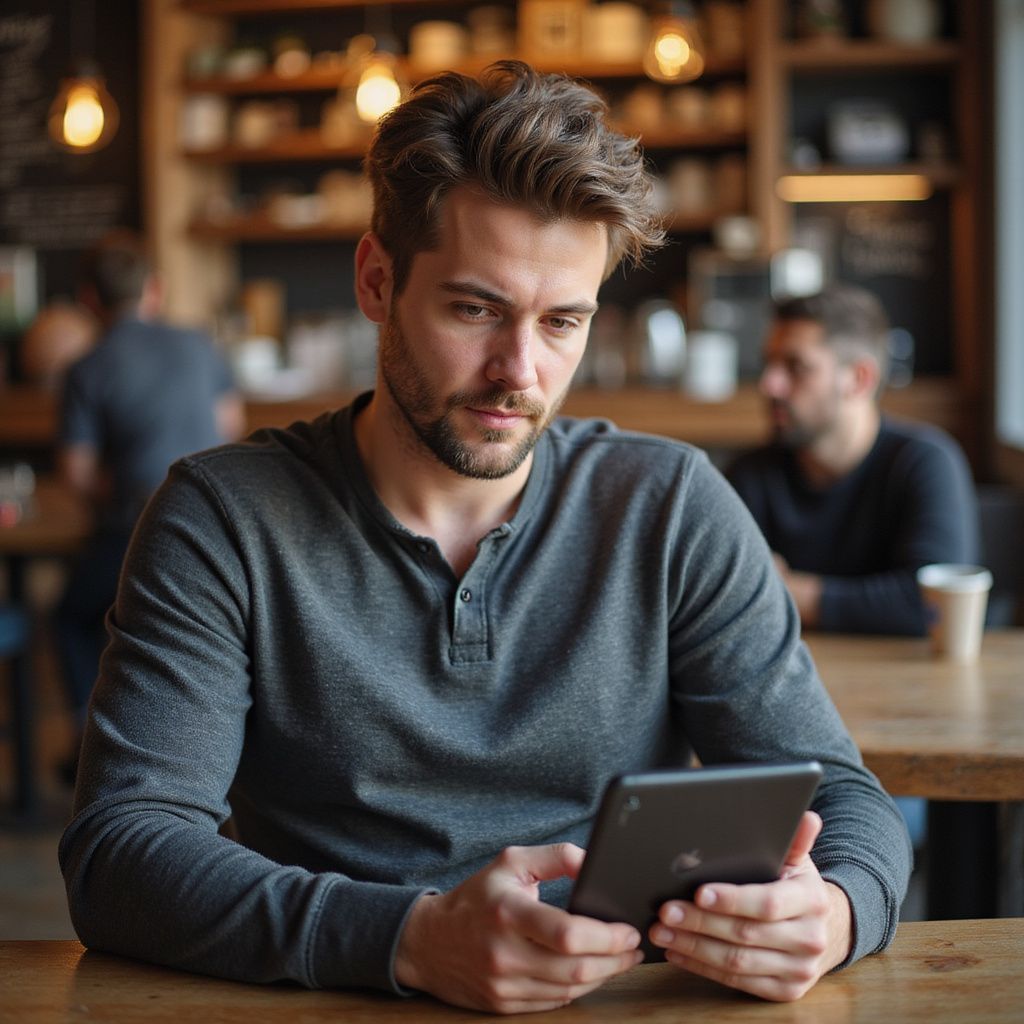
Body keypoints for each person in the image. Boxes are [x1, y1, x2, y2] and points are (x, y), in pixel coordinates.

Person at [60, 64, 910, 1015]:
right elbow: (120, 851)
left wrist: (835, 911)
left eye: (562, 322)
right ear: (377, 280)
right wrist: (414, 941)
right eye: (476, 309)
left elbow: (845, 798)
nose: (521, 372)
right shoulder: (222, 518)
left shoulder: (669, 506)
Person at [54, 230, 244, 775]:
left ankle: (84, 744)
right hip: (216, 534)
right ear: (153, 291)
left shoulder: (85, 368)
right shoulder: (201, 343)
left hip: (133, 535)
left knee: (70, 617)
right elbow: (229, 435)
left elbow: (76, 475)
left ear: (89, 298)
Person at [726, 285, 978, 636]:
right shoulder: (750, 474)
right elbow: (724, 599)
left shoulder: (923, 462)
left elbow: (929, 605)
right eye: (769, 363)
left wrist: (785, 591)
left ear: (860, 379)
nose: (769, 385)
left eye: (795, 366)